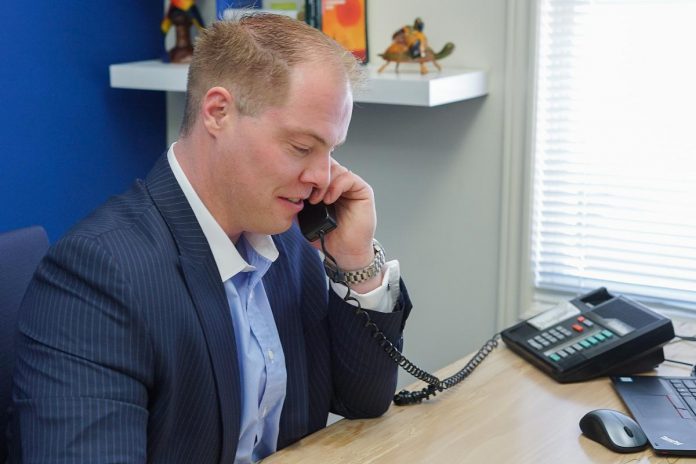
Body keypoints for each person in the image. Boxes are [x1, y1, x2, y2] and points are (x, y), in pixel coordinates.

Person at [9, 13, 411, 464]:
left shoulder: (290, 241)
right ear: (218, 112)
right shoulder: (98, 275)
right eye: (302, 147)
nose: (322, 179)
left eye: (331, 151)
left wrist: (354, 259)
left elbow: (365, 400)